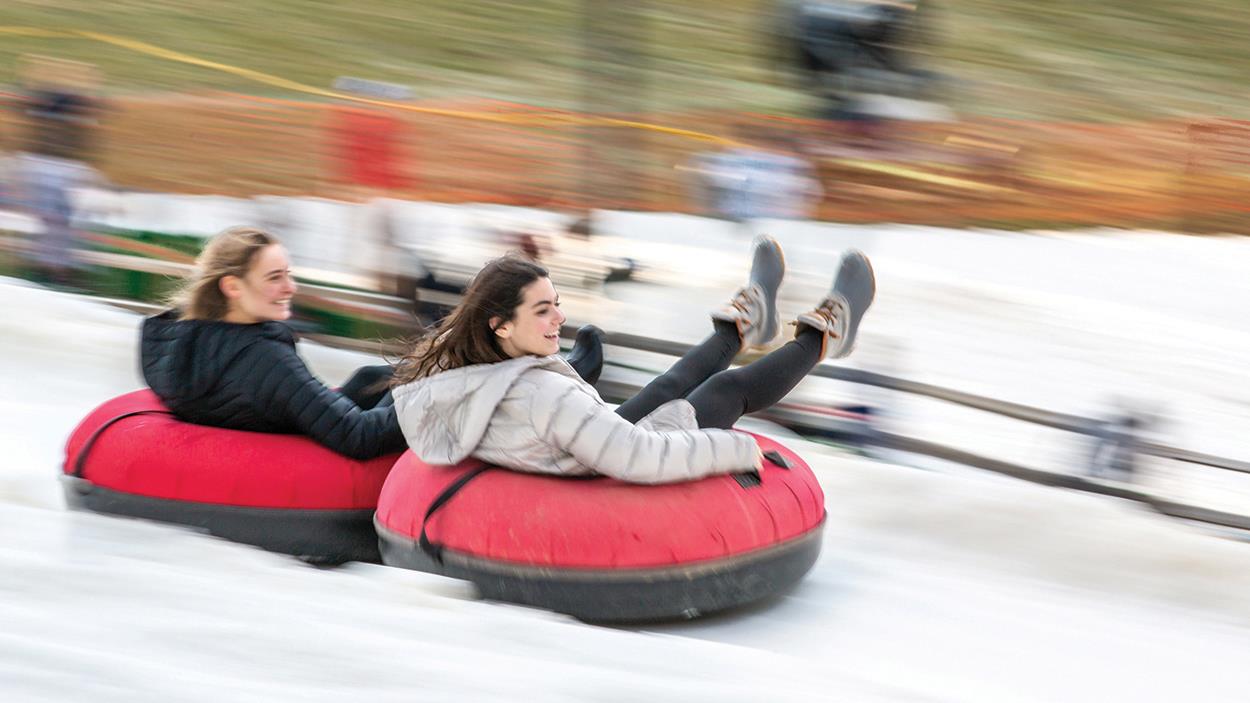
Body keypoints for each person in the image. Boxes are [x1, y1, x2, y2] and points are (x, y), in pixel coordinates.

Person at [390, 235, 875, 484]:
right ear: (500, 324)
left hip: (576, 445)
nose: (560, 316)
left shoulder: (466, 369)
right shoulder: (541, 395)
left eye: (556, 301)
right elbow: (642, 457)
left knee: (664, 389)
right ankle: (826, 334)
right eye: (543, 310)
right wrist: (741, 451)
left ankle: (746, 322)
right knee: (726, 392)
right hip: (599, 472)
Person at [140, 226, 408, 460]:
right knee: (417, 392)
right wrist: (441, 399)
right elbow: (359, 436)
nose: (291, 287)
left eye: (287, 274)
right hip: (313, 455)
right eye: (274, 278)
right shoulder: (263, 359)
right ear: (232, 287)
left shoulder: (186, 341)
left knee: (373, 377)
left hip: (263, 415)